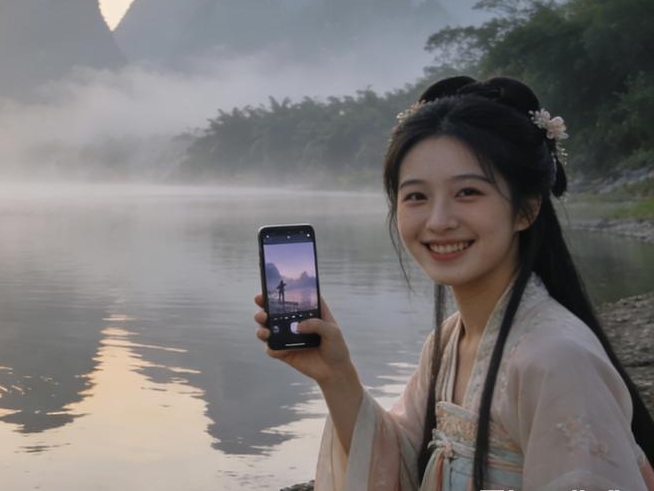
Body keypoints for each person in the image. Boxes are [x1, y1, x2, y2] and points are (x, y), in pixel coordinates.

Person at [254, 76, 654, 489]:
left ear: (527, 210)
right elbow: (402, 463)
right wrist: (336, 375)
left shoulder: (556, 359)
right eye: (416, 197)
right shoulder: (448, 342)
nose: (439, 221)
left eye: (467, 192)